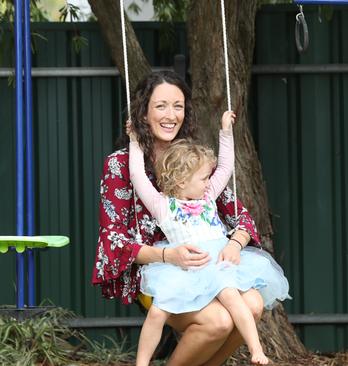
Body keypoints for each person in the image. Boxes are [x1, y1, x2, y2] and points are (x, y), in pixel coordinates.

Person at [92, 70, 268, 365]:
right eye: (161, 106)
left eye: (178, 106)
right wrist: (168, 256)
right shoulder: (121, 164)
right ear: (143, 112)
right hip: (159, 271)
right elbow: (114, 240)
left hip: (210, 266)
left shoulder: (192, 160)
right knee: (218, 322)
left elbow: (243, 219)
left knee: (253, 304)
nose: (170, 114)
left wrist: (233, 245)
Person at [129, 111, 288, 366]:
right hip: (184, 268)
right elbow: (137, 177)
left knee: (234, 300)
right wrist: (135, 142)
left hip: (216, 263)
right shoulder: (162, 206)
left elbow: (225, 167)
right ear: (181, 181)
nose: (208, 182)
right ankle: (142, 363)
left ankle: (256, 349)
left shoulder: (207, 197)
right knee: (157, 313)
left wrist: (225, 131)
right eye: (203, 177)